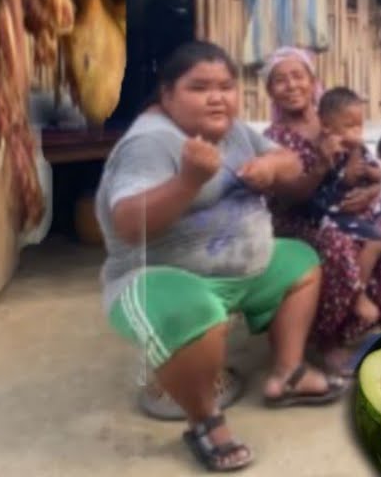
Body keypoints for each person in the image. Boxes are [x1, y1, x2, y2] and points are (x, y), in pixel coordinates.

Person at [96, 41, 347, 473]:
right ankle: (204, 420)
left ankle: (286, 373)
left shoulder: (232, 131)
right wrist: (188, 182)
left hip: (239, 269)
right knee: (197, 313)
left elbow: (286, 158)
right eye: (200, 87)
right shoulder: (150, 143)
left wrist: (272, 168)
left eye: (226, 87)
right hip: (156, 276)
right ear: (168, 94)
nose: (217, 97)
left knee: (301, 261)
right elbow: (126, 222)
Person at [261, 47, 381, 376]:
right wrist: (320, 167)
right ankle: (328, 340)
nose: (291, 85)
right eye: (280, 80)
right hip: (298, 219)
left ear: (312, 81)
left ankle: (355, 328)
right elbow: (288, 196)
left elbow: (368, 163)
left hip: (342, 212)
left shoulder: (335, 118)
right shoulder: (272, 139)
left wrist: (373, 187)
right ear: (269, 91)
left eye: (297, 76)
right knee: (334, 245)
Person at [313, 87, 381, 326]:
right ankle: (358, 292)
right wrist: (355, 149)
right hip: (337, 213)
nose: (357, 132)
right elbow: (348, 179)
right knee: (375, 239)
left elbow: (376, 172)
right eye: (350, 126)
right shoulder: (331, 149)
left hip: (363, 207)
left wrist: (375, 173)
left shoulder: (359, 149)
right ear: (327, 127)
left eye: (359, 126)